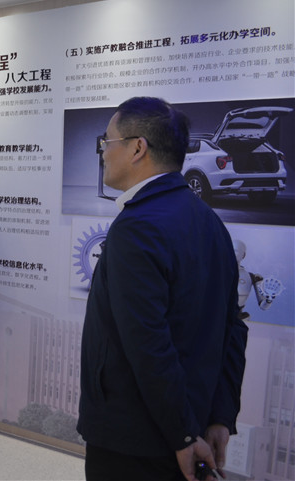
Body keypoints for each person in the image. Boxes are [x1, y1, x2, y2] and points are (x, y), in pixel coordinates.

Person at [77, 97, 248, 481]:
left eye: (107, 142)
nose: (103, 152)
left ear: (137, 148)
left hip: (134, 438)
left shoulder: (137, 227)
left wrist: (182, 434)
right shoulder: (210, 222)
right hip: (187, 427)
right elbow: (233, 329)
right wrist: (219, 418)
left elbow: (147, 342)